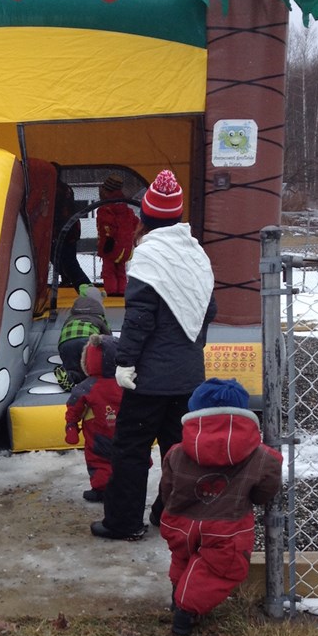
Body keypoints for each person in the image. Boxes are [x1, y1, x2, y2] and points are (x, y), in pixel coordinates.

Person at [91, 169, 217, 542]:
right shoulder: (196, 254)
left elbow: (139, 320)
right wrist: (191, 350)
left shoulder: (149, 256)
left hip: (147, 381)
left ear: (145, 215)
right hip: (188, 377)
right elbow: (208, 310)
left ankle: (124, 522)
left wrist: (125, 362)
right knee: (179, 452)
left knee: (130, 450)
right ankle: (170, 514)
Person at [158, 378, 283, 636]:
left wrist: (172, 508)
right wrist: (253, 496)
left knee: (183, 557)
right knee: (222, 567)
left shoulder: (177, 452)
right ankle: (185, 611)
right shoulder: (262, 457)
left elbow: (167, 489)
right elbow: (265, 491)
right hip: (227, 525)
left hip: (179, 520)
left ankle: (177, 595)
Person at [65, 334, 123, 503]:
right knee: (125, 459)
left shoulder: (87, 386)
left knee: (99, 461)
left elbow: (74, 406)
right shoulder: (125, 383)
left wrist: (71, 425)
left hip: (98, 434)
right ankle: (125, 486)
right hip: (124, 432)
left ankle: (102, 489)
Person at [54, 284, 111, 391]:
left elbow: (63, 330)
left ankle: (70, 376)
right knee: (92, 368)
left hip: (65, 344)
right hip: (86, 341)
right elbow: (108, 336)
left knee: (73, 367)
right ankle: (92, 379)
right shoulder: (99, 317)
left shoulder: (71, 316)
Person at [50, 163, 91, 291]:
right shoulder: (64, 188)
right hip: (69, 229)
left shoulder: (55, 190)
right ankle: (68, 280)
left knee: (68, 262)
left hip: (63, 231)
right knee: (63, 259)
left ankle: (87, 289)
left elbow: (56, 213)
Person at [96, 174, 138, 296]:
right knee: (120, 270)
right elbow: (135, 223)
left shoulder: (105, 209)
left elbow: (107, 225)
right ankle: (121, 292)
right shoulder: (125, 208)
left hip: (111, 245)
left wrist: (108, 239)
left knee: (108, 270)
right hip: (125, 247)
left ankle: (111, 292)